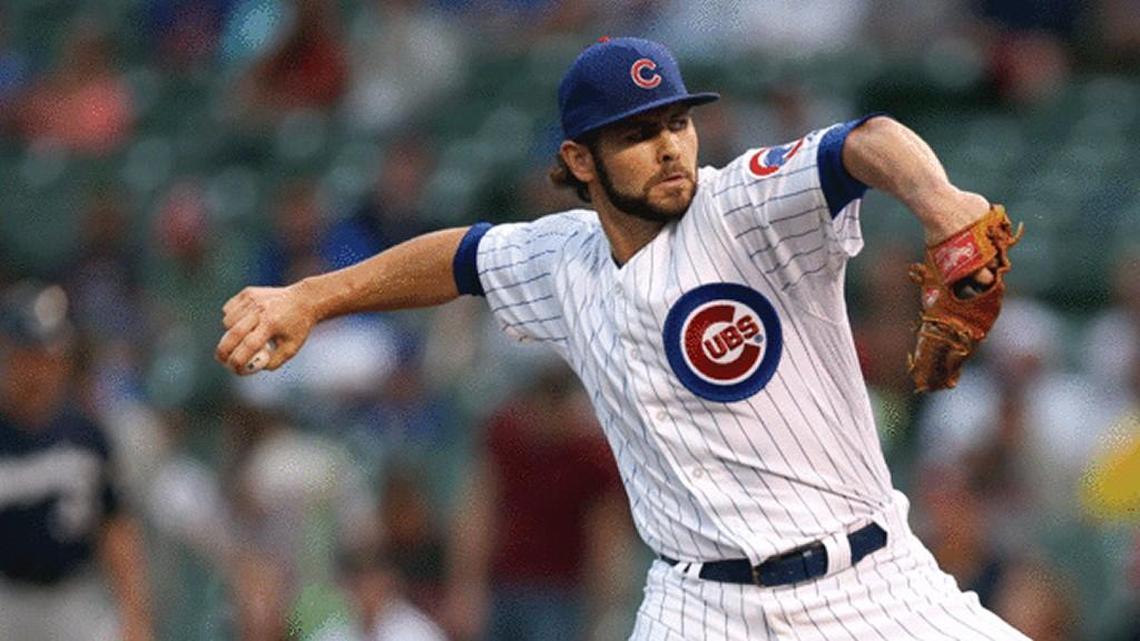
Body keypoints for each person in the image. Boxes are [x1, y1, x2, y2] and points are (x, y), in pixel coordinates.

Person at [217, 37, 1028, 639]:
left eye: (678, 120)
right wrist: (313, 296)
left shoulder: (743, 206)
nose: (671, 144)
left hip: (868, 579)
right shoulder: (562, 256)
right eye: (639, 132)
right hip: (701, 604)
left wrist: (939, 200)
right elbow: (457, 257)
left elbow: (867, 141)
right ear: (582, 158)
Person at [0, 281, 153, 641]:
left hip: (72, 598)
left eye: (51, 358)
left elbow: (115, 528)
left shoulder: (86, 436)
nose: (40, 370)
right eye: (30, 355)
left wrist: (136, 614)